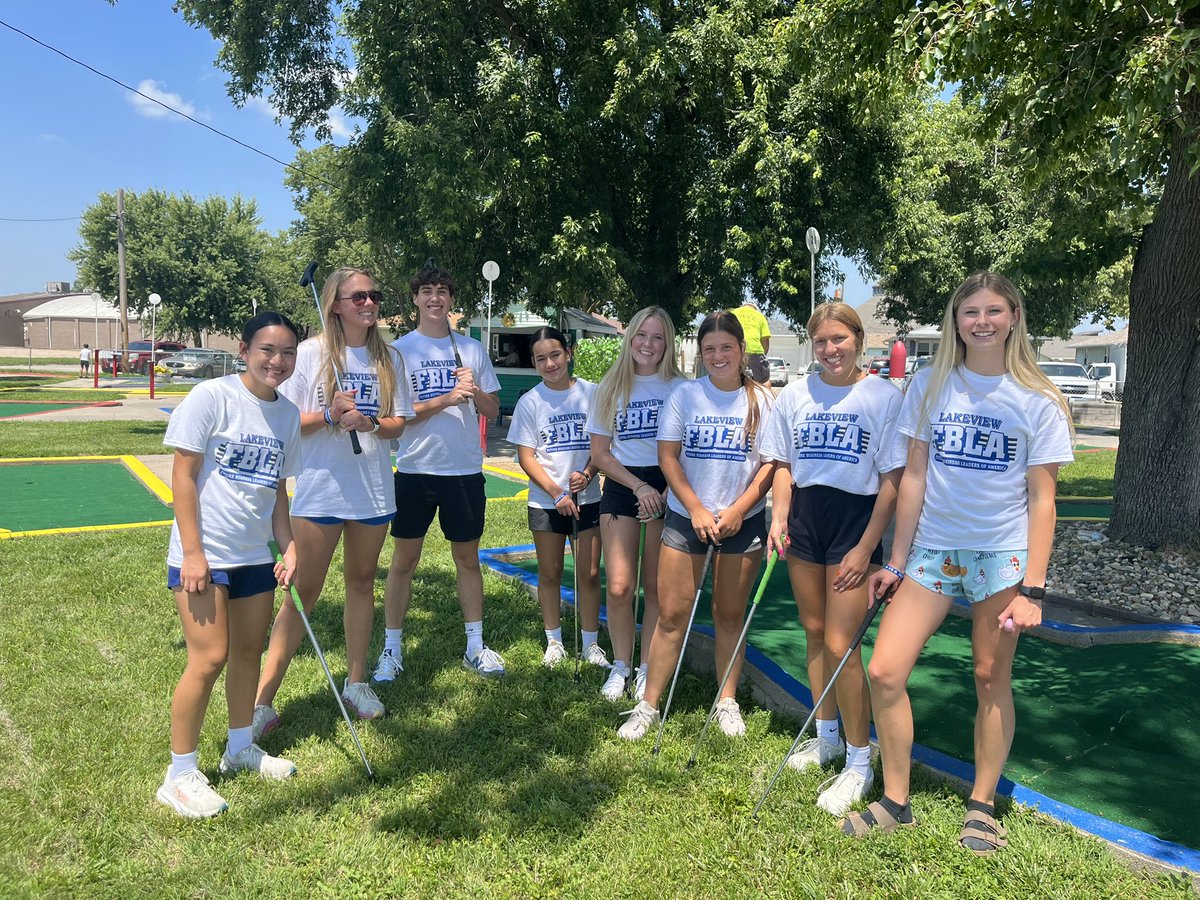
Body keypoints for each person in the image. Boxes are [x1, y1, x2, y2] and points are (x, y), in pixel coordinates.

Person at [839, 272, 1074, 854]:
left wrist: (1034, 591)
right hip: (932, 553)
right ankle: (896, 798)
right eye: (971, 312)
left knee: (990, 677)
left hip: (1001, 556)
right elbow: (913, 476)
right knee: (886, 671)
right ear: (956, 320)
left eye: (995, 310)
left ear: (1014, 317)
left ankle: (982, 802)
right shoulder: (930, 382)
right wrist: (894, 562)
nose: (983, 322)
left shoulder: (1039, 399)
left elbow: (1044, 500)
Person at [760, 303, 906, 816]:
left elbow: (892, 481)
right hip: (805, 519)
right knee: (816, 633)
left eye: (839, 339)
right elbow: (781, 465)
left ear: (859, 339)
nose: (830, 350)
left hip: (854, 523)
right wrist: (779, 518)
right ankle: (827, 739)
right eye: (820, 341)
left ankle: (861, 762)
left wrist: (866, 548)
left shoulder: (884, 397)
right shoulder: (794, 394)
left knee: (845, 647)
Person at [157, 311, 302, 818]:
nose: (277, 361)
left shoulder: (287, 414)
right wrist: (193, 552)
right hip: (205, 555)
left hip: (252, 557)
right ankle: (179, 773)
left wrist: (289, 546)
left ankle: (240, 746)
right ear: (244, 350)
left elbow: (278, 494)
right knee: (209, 657)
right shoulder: (212, 397)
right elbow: (182, 476)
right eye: (267, 350)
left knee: (246, 653)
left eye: (287, 352)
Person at [252, 268, 410, 734]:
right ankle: (262, 701)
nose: (368, 303)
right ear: (335, 304)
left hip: (373, 491)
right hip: (320, 491)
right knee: (302, 594)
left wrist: (372, 425)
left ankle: (356, 682)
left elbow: (400, 421)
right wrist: (328, 414)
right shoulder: (309, 354)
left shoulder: (390, 358)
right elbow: (283, 422)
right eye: (357, 296)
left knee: (362, 584)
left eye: (373, 295)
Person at [619, 311, 775, 740]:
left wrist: (740, 508)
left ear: (743, 350)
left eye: (727, 347)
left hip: (741, 522)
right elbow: (668, 457)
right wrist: (697, 508)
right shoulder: (685, 396)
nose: (718, 356)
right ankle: (649, 704)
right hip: (687, 520)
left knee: (728, 615)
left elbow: (769, 466)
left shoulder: (761, 400)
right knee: (671, 614)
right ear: (700, 353)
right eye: (710, 349)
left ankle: (727, 700)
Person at [384, 264, 504, 677]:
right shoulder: (400, 350)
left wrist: (474, 392)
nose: (435, 298)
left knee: (467, 559)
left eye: (443, 292)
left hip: (464, 472)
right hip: (416, 470)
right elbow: (396, 416)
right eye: (427, 291)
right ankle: (392, 649)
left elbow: (492, 410)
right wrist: (446, 397)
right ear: (416, 298)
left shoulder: (471, 349)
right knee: (404, 561)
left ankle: (475, 646)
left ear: (451, 300)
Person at [587, 306, 686, 701]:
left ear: (668, 344)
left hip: (668, 486)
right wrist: (640, 487)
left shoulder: (681, 388)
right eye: (641, 335)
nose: (648, 344)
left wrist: (663, 492)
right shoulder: (610, 386)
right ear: (630, 339)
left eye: (657, 337)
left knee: (656, 588)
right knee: (620, 585)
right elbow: (600, 452)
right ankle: (621, 665)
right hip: (624, 485)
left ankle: (648, 667)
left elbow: (687, 450)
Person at [507, 327, 608, 674]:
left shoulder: (594, 394)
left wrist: (590, 473)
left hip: (589, 499)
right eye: (541, 358)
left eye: (555, 355)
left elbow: (603, 446)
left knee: (590, 574)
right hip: (547, 502)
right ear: (534, 362)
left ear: (569, 353)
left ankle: (592, 642)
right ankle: (554, 641)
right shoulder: (530, 402)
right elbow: (526, 457)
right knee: (549, 573)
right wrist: (557, 492)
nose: (550, 363)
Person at [730, 296, 771, 384]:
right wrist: (762, 355)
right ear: (755, 309)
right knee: (764, 381)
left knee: (733, 380)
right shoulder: (760, 316)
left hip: (735, 350)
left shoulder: (733, 313)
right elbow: (765, 340)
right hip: (755, 351)